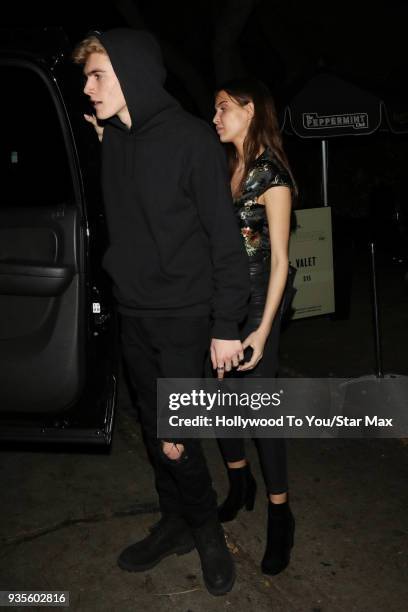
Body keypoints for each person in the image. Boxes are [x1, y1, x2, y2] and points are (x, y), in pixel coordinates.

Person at [72, 28, 250, 596]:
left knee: (177, 434)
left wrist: (227, 326)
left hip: (184, 313)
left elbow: (226, 241)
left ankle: (206, 534)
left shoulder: (193, 142)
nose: (87, 87)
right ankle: (174, 520)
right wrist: (106, 134)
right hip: (135, 310)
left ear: (134, 75)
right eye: (86, 77)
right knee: (154, 431)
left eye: (97, 75)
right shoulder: (118, 140)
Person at [213, 77, 296, 575]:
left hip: (258, 307)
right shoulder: (225, 168)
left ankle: (281, 515)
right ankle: (240, 482)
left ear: (249, 108)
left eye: (223, 108)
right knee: (218, 398)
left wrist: (263, 332)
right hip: (221, 305)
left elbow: (283, 262)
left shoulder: (273, 174)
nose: (216, 117)